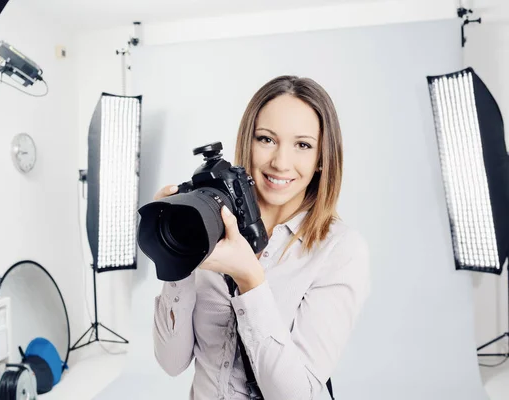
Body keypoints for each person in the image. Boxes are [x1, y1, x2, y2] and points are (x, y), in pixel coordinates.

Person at [152, 75, 370, 400]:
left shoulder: (340, 251)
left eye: (303, 145)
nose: (280, 162)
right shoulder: (211, 225)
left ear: (322, 159)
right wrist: (176, 254)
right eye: (266, 139)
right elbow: (171, 363)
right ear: (247, 141)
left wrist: (250, 280)